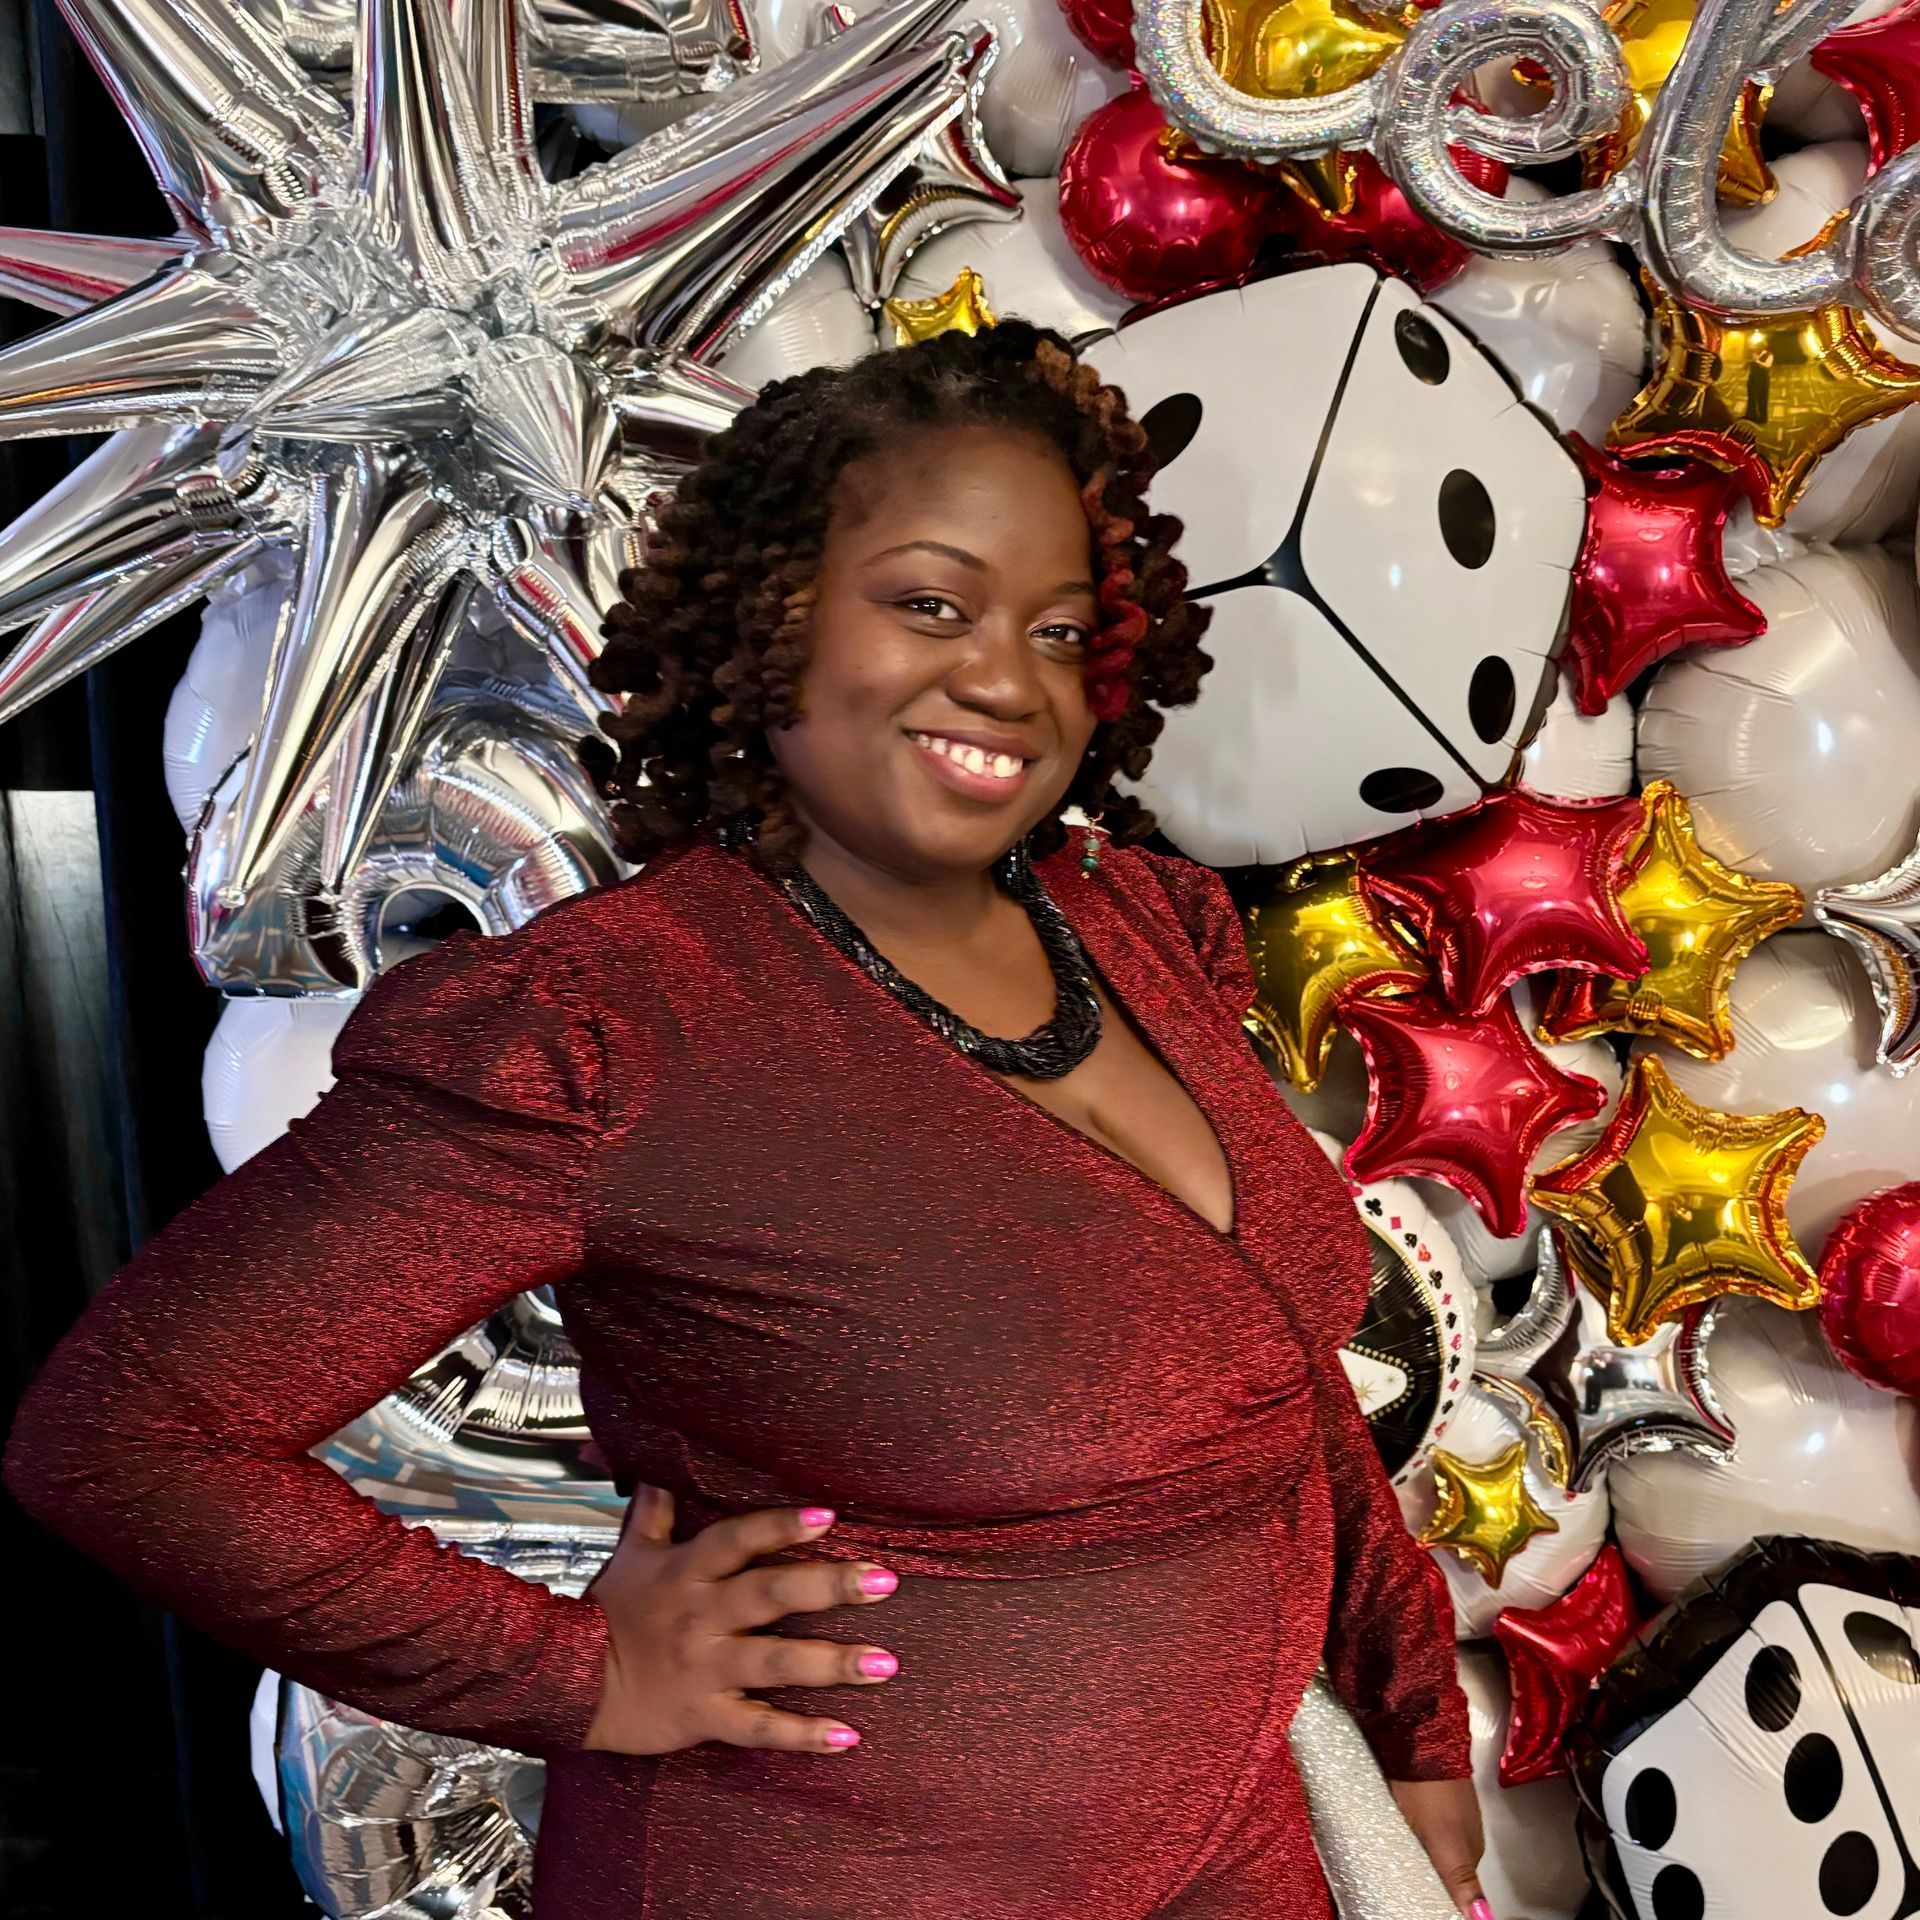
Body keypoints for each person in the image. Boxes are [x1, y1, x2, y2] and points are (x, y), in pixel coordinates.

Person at [5, 321, 1486, 1918]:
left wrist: (1418, 1730)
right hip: (814, 1870)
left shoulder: (1140, 926)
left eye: (1060, 631)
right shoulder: (610, 1024)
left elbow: (1290, 1403)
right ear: (770, 616)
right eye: (930, 603)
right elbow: (127, 1438)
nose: (1005, 677)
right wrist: (581, 1676)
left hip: (1237, 1842)